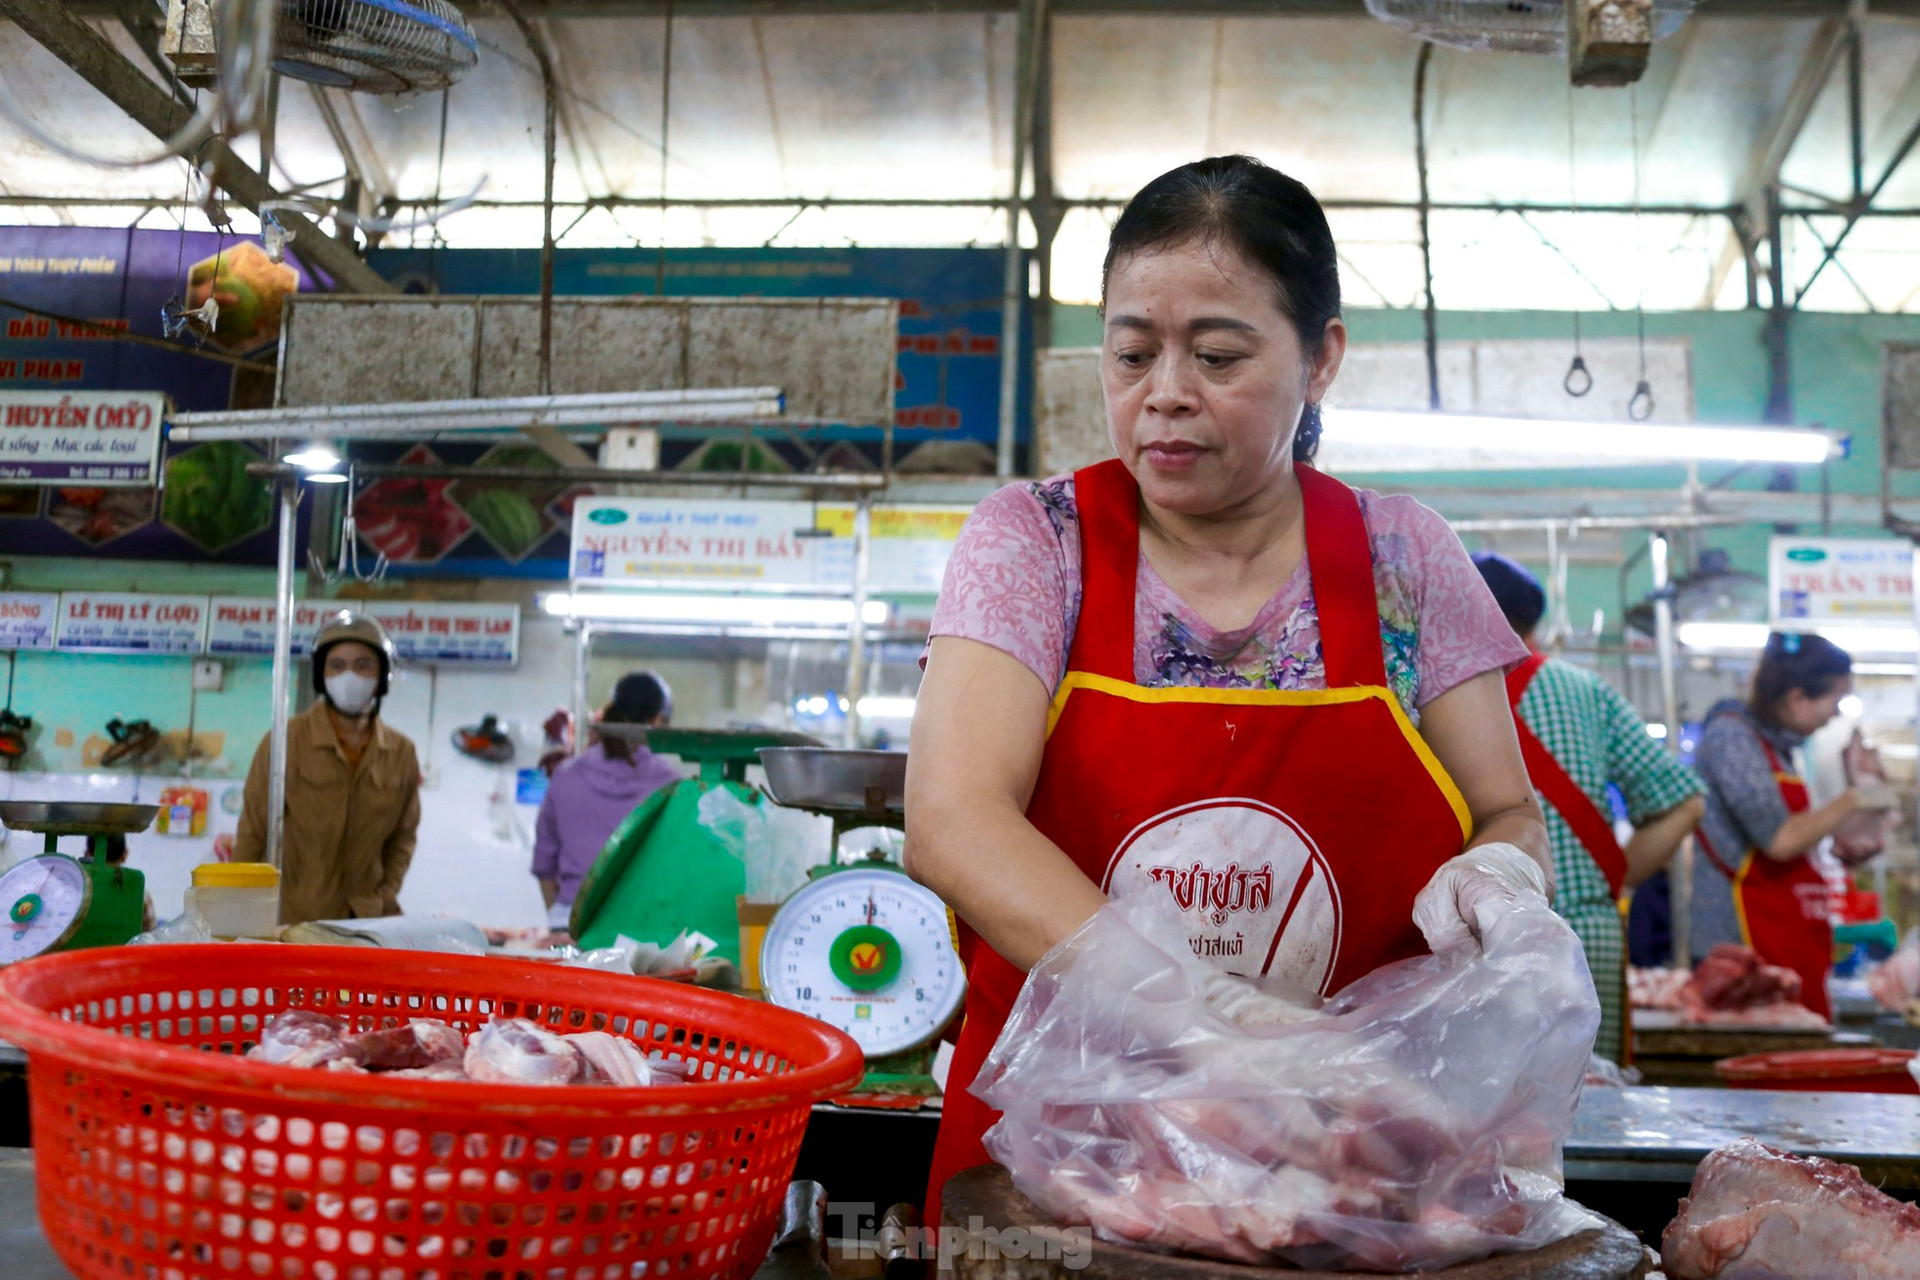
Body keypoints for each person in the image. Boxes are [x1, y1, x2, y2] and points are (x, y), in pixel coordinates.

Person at [906, 155, 1559, 1214]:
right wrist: (1207, 1017)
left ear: (1321, 358)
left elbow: (1504, 807)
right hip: (1054, 1159)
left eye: (1217, 355)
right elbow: (951, 819)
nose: (1165, 393)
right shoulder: (1036, 544)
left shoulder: (1404, 557)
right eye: (1131, 353)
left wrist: (1499, 880)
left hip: (1337, 1152)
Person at [1473, 552, 1704, 1063]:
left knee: (1483, 1113)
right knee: (1591, 1104)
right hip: (1583, 939)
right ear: (1533, 620)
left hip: (1473, 940)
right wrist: (1614, 882)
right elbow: (1685, 800)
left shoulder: (1430, 690)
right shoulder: (1583, 690)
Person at [1691, 632, 1897, 1020]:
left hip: (1786, 937)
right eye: (1833, 701)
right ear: (1796, 698)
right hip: (1745, 954)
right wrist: (1854, 799)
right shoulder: (1732, 738)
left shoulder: (1780, 747)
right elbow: (1780, 840)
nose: (1835, 714)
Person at [234, 611, 421, 925]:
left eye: (363, 665)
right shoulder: (285, 740)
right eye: (337, 666)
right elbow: (253, 831)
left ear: (382, 675)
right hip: (290, 921)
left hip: (366, 923)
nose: (350, 676)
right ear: (322, 675)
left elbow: (403, 837)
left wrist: (384, 896)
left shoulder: (401, 752)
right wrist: (240, 914)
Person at [532, 671, 680, 936]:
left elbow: (544, 865)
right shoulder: (670, 786)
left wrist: (563, 924)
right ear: (657, 721)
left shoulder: (566, 776)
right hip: (641, 931)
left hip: (570, 927)